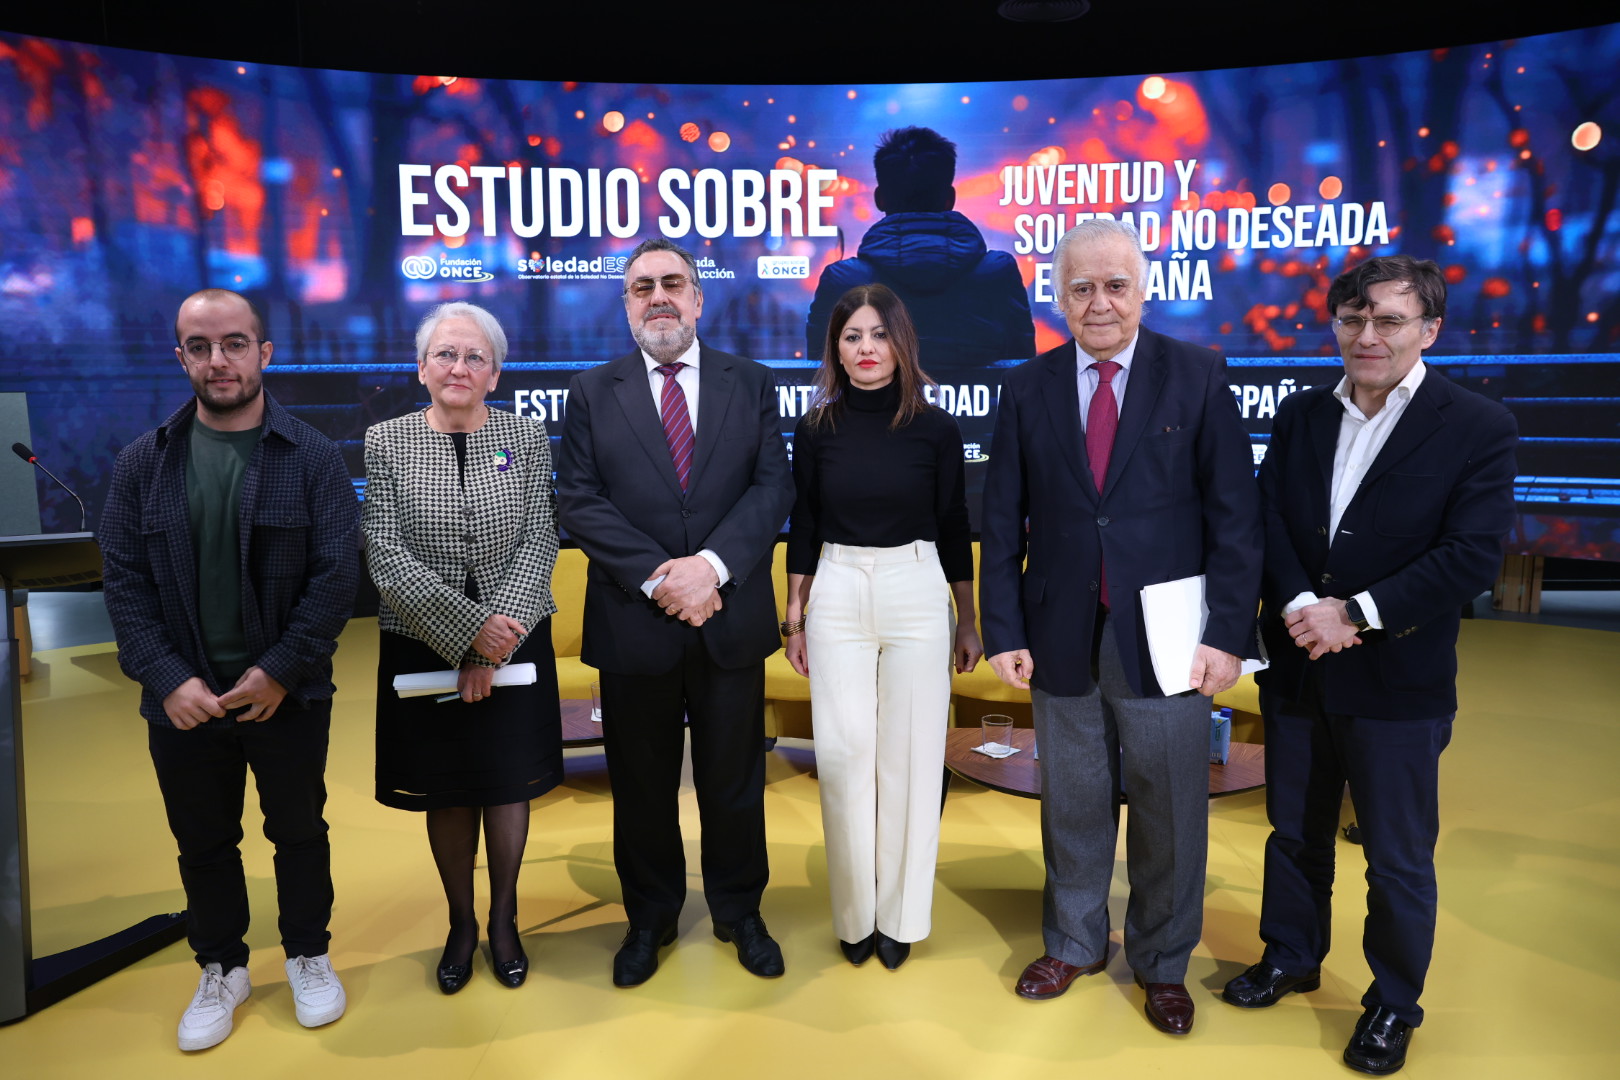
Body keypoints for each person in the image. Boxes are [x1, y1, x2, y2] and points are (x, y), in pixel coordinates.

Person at [1221, 256, 1517, 1075]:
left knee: (1395, 855)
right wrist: (1294, 611)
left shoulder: (1475, 426)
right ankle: (1290, 955)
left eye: (1389, 320)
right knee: (1295, 833)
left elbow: (1470, 556)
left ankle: (1393, 1003)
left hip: (1397, 678)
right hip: (1297, 663)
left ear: (1430, 330)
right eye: (1353, 319)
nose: (1368, 336)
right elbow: (1269, 520)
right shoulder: (1301, 414)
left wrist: (1354, 615)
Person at [978, 219, 1261, 1034]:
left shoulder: (1199, 376)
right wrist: (1004, 629)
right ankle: (1073, 940)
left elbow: (1235, 520)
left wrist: (1227, 636)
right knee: (1071, 797)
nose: (1098, 302)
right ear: (1058, 295)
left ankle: (1163, 961)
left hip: (1172, 638)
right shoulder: (1028, 387)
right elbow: (1003, 522)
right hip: (1059, 626)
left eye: (1115, 285)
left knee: (1172, 804)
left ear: (1144, 290)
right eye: (1080, 287)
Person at [99, 288, 359, 1050]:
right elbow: (122, 580)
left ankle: (309, 953)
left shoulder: (310, 456)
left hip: (287, 694)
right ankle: (222, 966)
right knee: (203, 842)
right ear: (180, 356)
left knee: (299, 831)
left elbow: (337, 574)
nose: (219, 361)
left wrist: (279, 670)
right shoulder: (142, 464)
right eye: (201, 346)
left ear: (265, 352)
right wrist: (166, 678)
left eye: (235, 344)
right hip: (183, 702)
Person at [556, 237, 795, 987]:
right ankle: (650, 917)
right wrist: (665, 579)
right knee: (643, 784)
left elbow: (771, 490)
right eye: (641, 287)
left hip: (729, 617)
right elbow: (578, 500)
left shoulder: (750, 382)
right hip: (636, 621)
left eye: (672, 284)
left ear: (698, 298)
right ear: (625, 305)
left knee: (734, 781)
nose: (657, 296)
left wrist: (711, 570)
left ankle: (738, 911)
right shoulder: (592, 390)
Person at [363, 301, 563, 994]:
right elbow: (384, 552)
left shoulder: (525, 438)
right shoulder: (386, 441)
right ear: (421, 369)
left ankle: (503, 920)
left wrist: (492, 641)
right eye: (445, 354)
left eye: (475, 356)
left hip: (515, 636)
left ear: (496, 372)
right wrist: (462, 633)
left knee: (507, 785)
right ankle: (461, 923)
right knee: (448, 790)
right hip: (420, 641)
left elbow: (542, 537)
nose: (459, 367)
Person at [783, 284, 982, 971]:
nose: (865, 349)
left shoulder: (937, 428)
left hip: (917, 588)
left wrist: (969, 617)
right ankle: (854, 916)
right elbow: (803, 523)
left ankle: (900, 917)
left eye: (877, 334)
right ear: (834, 349)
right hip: (836, 588)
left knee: (911, 760)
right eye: (851, 337)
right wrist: (794, 615)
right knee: (842, 759)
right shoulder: (815, 429)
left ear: (901, 343)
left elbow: (954, 524)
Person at [805, 126, 1035, 369]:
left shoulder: (842, 281)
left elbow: (817, 381)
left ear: (879, 198)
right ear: (950, 198)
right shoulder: (999, 274)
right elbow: (1022, 373)